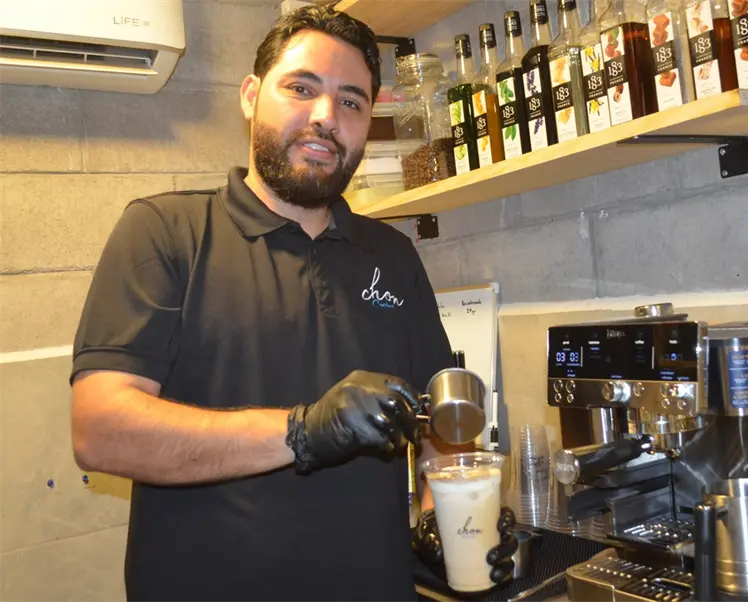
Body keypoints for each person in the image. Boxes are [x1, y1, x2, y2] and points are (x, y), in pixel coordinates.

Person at [70, 6, 515, 602]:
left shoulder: (392, 255)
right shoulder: (166, 232)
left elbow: (441, 429)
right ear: (251, 96)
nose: (326, 116)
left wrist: (443, 517)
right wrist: (301, 433)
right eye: (301, 88)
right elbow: (100, 431)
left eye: (351, 101)